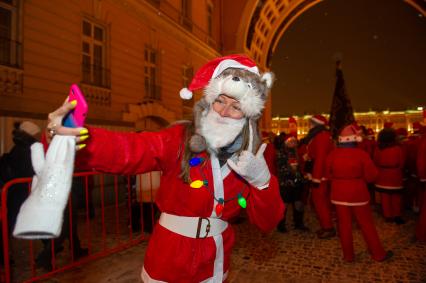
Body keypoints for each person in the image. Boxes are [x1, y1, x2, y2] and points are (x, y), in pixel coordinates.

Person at [44, 55, 285, 282]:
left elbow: (267, 221)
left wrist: (262, 181)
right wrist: (74, 140)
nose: (223, 111)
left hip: (215, 263)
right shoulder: (180, 138)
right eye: (220, 101)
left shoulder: (252, 157)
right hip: (169, 259)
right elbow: (131, 149)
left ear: (248, 114)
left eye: (235, 106)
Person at [325, 123, 393, 262]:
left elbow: (328, 174)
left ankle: (348, 256)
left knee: (344, 225)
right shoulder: (361, 154)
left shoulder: (332, 154)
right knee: (366, 224)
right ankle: (378, 254)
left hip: (338, 193)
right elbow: (372, 175)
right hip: (358, 192)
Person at [0, 121, 41, 264]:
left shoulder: (20, 148)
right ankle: (3, 256)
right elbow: (28, 171)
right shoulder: (24, 150)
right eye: (36, 134)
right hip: (19, 193)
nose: (39, 136)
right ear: (29, 135)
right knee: (9, 224)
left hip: (19, 192)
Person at [300, 114, 335, 239]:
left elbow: (320, 158)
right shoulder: (320, 135)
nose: (309, 125)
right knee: (321, 202)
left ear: (316, 124)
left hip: (320, 175)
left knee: (320, 202)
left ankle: (328, 228)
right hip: (320, 173)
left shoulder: (321, 137)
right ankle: (326, 225)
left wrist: (316, 178)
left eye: (310, 123)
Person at [276, 135, 309, 232]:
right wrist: (290, 171)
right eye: (290, 141)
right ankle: (281, 225)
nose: (293, 143)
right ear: (286, 142)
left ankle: (298, 223)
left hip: (297, 182)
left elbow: (300, 166)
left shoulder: (297, 152)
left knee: (299, 204)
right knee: (284, 205)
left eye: (294, 141)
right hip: (285, 183)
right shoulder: (281, 153)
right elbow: (280, 167)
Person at [373, 127, 405, 224]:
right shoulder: (398, 148)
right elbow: (402, 162)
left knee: (385, 197)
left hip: (382, 174)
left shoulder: (378, 149)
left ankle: (388, 216)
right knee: (396, 197)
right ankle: (397, 215)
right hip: (395, 174)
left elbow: (375, 161)